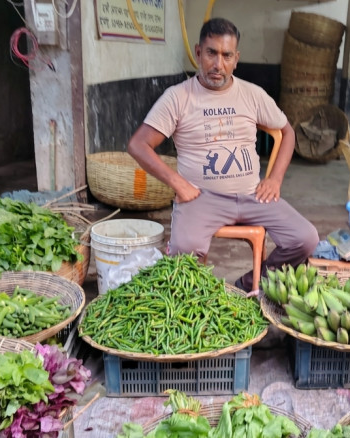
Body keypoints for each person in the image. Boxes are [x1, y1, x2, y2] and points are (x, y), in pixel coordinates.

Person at [127, 17, 319, 292]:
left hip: (254, 195)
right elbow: (138, 145)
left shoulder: (252, 94)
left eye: (227, 55)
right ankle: (203, 300)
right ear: (197, 53)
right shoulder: (178, 97)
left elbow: (287, 132)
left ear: (236, 58)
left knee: (305, 238)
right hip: (201, 198)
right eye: (211, 53)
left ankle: (249, 285)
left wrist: (274, 179)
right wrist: (178, 184)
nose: (218, 65)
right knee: (184, 250)